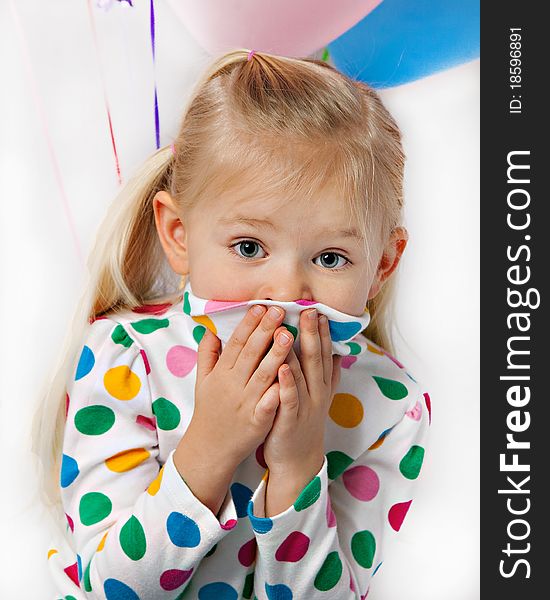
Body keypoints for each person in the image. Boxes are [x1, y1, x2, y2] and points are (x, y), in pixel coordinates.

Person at [32, 48, 431, 600]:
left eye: (331, 257)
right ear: (178, 235)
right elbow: (115, 590)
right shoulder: (127, 358)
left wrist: (297, 466)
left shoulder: (391, 403)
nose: (288, 292)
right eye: (249, 246)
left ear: (382, 264)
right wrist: (212, 446)